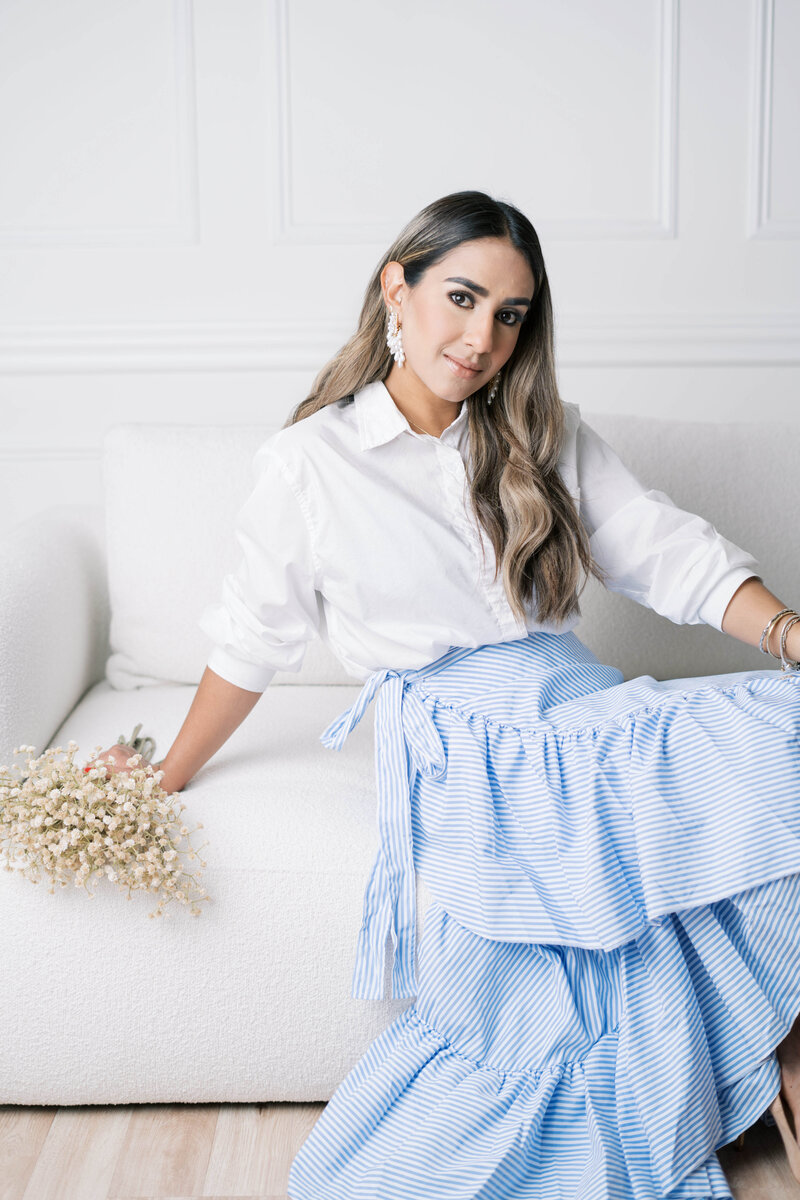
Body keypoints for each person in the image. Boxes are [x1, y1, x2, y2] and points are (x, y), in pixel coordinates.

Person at [91, 190, 800, 1199]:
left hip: (577, 708)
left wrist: (783, 630)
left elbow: (665, 553)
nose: (480, 338)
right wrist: (165, 770)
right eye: (460, 299)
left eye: (509, 315)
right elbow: (251, 641)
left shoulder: (538, 432)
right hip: (461, 737)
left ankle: (782, 1031)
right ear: (396, 289)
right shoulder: (308, 465)